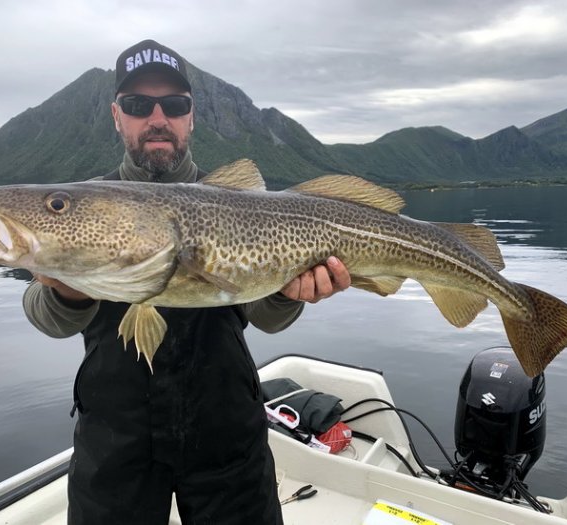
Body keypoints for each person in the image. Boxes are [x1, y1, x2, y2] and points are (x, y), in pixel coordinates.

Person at [23, 39, 351, 525]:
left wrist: (289, 292)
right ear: (118, 116)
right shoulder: (85, 203)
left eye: (173, 105)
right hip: (114, 442)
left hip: (226, 431)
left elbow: (268, 318)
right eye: (138, 105)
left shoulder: (241, 203)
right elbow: (43, 314)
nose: (157, 117)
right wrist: (67, 289)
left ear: (191, 116)